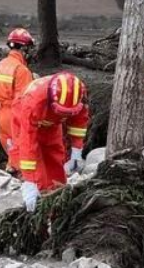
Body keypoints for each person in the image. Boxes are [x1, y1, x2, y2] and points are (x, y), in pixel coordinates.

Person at [10, 72, 90, 212]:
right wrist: (29, 181)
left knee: (56, 158)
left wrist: (77, 150)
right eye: (62, 111)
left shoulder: (78, 94)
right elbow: (27, 143)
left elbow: (79, 120)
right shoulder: (33, 102)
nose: (65, 115)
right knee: (37, 168)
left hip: (52, 124)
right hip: (24, 119)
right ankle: (41, 205)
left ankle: (59, 200)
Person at [0, 28, 35, 170]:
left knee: (12, 152)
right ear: (23, 48)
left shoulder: (0, 65)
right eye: (28, 48)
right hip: (14, 115)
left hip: (0, 114)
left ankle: (11, 174)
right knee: (22, 152)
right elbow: (24, 100)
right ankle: (24, 182)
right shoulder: (22, 70)